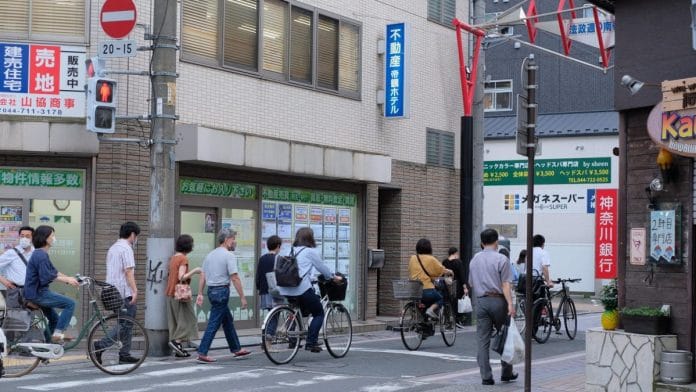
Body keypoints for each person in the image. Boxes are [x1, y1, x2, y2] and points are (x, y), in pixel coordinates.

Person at [277, 227, 342, 353]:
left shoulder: (290, 250)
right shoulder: (310, 252)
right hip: (301, 288)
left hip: (286, 288)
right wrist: (333, 277)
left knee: (301, 309)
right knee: (318, 313)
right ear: (310, 238)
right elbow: (323, 268)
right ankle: (311, 342)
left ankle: (296, 335)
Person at [466, 228, 517, 386]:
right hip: (498, 301)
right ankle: (506, 372)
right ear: (496, 242)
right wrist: (510, 304)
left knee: (482, 340)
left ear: (482, 242)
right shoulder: (501, 259)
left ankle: (486, 376)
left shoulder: (474, 259)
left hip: (481, 301)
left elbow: (472, 283)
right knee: (505, 336)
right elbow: (505, 284)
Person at [195, 228, 251, 363]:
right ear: (226, 240)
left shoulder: (210, 255)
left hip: (212, 291)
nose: (234, 242)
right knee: (214, 323)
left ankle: (236, 348)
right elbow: (235, 277)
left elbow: (203, 275)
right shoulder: (228, 256)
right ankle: (202, 352)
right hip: (222, 291)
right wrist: (242, 297)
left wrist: (200, 293)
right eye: (233, 239)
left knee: (227, 321)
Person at [23, 225, 79, 343]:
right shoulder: (40, 255)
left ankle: (45, 347)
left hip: (37, 292)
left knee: (54, 320)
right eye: (53, 235)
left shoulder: (41, 254)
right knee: (70, 303)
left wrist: (70, 278)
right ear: (45, 238)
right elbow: (47, 276)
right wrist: (67, 280)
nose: (54, 238)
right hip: (38, 293)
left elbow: (54, 272)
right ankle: (58, 333)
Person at [97, 221, 141, 364]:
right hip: (123, 292)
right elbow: (128, 272)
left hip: (110, 291)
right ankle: (100, 345)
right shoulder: (126, 249)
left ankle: (124, 354)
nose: (136, 239)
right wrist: (135, 290)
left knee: (125, 323)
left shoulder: (113, 248)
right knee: (125, 323)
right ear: (133, 235)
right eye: (136, 236)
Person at [165, 234, 202, 358]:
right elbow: (181, 277)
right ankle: (177, 342)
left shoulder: (174, 258)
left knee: (175, 322)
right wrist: (195, 271)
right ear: (188, 246)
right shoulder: (183, 259)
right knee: (189, 320)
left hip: (170, 293)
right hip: (180, 294)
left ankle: (178, 350)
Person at [408, 238, 453, 320]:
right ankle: (431, 310)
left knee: (424, 302)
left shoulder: (413, 258)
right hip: (426, 289)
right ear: (429, 248)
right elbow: (440, 270)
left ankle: (424, 322)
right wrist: (450, 271)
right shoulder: (431, 259)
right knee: (440, 298)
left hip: (414, 290)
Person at [0, 226, 35, 299]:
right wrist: (3, 280)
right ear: (19, 237)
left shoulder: (36, 253)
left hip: (33, 291)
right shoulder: (11, 253)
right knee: (16, 310)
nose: (24, 238)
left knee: (37, 310)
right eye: (22, 236)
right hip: (16, 292)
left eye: (27, 236)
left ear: (32, 238)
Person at [442, 247, 466, 328]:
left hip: (446, 285)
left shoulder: (444, 262)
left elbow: (442, 273)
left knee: (447, 303)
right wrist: (465, 287)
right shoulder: (458, 262)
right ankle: (456, 320)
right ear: (456, 253)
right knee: (456, 303)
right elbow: (462, 276)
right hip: (456, 285)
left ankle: (448, 321)